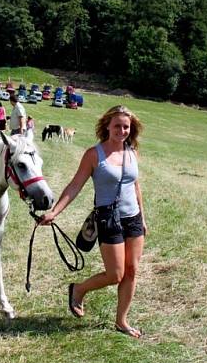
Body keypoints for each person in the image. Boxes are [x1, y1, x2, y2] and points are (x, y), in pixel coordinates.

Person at [39, 105, 147, 339]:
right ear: (107, 125)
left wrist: (143, 218)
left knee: (132, 271)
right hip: (108, 218)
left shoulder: (132, 152)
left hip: (133, 219)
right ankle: (79, 289)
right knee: (115, 274)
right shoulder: (94, 154)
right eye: (117, 125)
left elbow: (135, 186)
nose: (122, 130)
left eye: (126, 126)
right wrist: (54, 212)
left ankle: (121, 321)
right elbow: (75, 185)